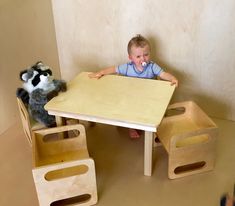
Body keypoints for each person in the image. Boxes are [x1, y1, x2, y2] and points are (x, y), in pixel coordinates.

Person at [89, 34, 178, 138]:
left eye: (146, 55)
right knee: (129, 110)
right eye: (138, 56)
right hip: (133, 97)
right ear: (131, 58)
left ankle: (157, 129)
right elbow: (114, 69)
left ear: (150, 54)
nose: (143, 59)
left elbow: (163, 74)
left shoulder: (152, 66)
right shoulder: (127, 67)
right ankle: (132, 127)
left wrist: (172, 78)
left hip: (149, 96)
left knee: (155, 110)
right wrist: (101, 72)